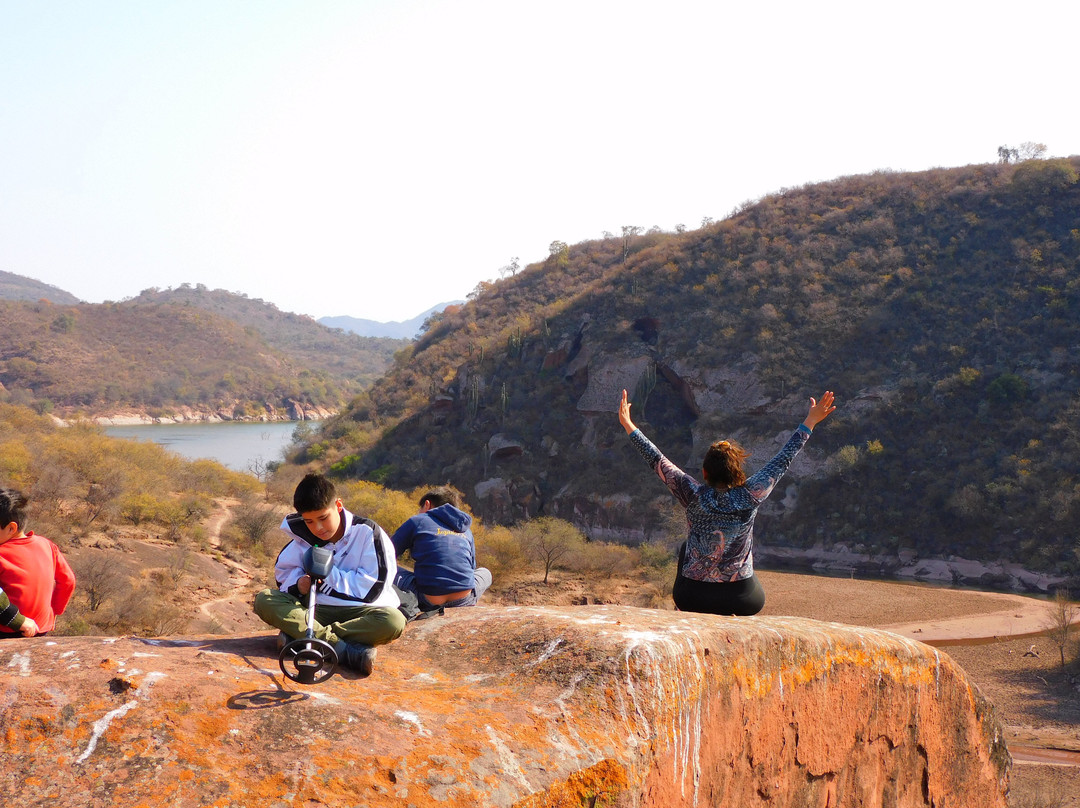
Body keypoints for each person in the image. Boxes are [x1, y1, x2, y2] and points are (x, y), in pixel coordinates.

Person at [618, 388, 836, 616]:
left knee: (685, 548)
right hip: (742, 600)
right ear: (737, 472)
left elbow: (656, 459)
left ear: (704, 472)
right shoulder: (752, 493)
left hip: (692, 598)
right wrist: (810, 420)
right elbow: (784, 458)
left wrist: (628, 424)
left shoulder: (691, 493)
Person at [253, 473, 405, 677]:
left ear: (339, 506)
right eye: (309, 521)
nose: (318, 528)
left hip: (360, 612)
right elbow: (283, 574)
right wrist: (299, 584)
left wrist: (329, 573)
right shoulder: (301, 537)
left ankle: (303, 639)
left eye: (323, 518)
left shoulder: (367, 533)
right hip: (316, 608)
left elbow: (373, 589)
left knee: (393, 622)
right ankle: (344, 651)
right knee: (265, 599)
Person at [391, 486, 492, 612]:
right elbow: (471, 568)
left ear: (427, 504)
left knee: (386, 568)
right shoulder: (466, 530)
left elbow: (386, 554)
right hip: (464, 600)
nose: (419, 512)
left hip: (426, 600)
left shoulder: (418, 521)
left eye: (420, 508)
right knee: (485, 573)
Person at [0, 487, 76, 638]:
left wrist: (17, 620)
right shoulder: (47, 545)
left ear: (11, 528)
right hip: (41, 627)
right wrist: (54, 610)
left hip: (8, 629)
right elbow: (68, 581)